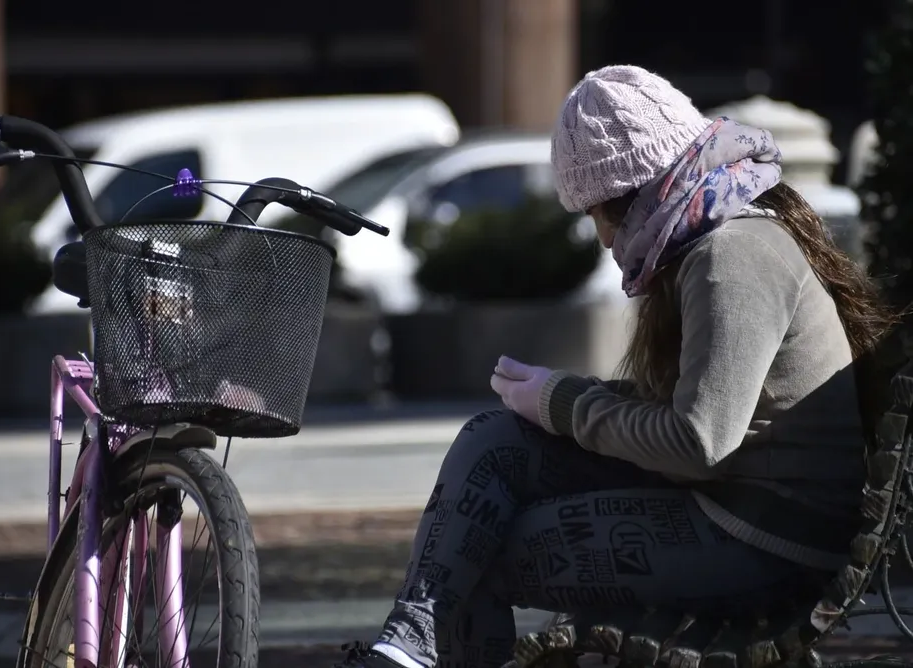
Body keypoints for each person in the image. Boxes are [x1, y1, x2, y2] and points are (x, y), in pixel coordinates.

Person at [331, 65, 897, 668]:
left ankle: (406, 648)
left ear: (633, 198)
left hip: (764, 539)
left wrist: (565, 404)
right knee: (496, 437)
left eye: (595, 213)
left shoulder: (731, 255)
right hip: (734, 503)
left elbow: (697, 442)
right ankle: (407, 641)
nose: (603, 239)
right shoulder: (713, 239)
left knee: (484, 552)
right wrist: (563, 397)